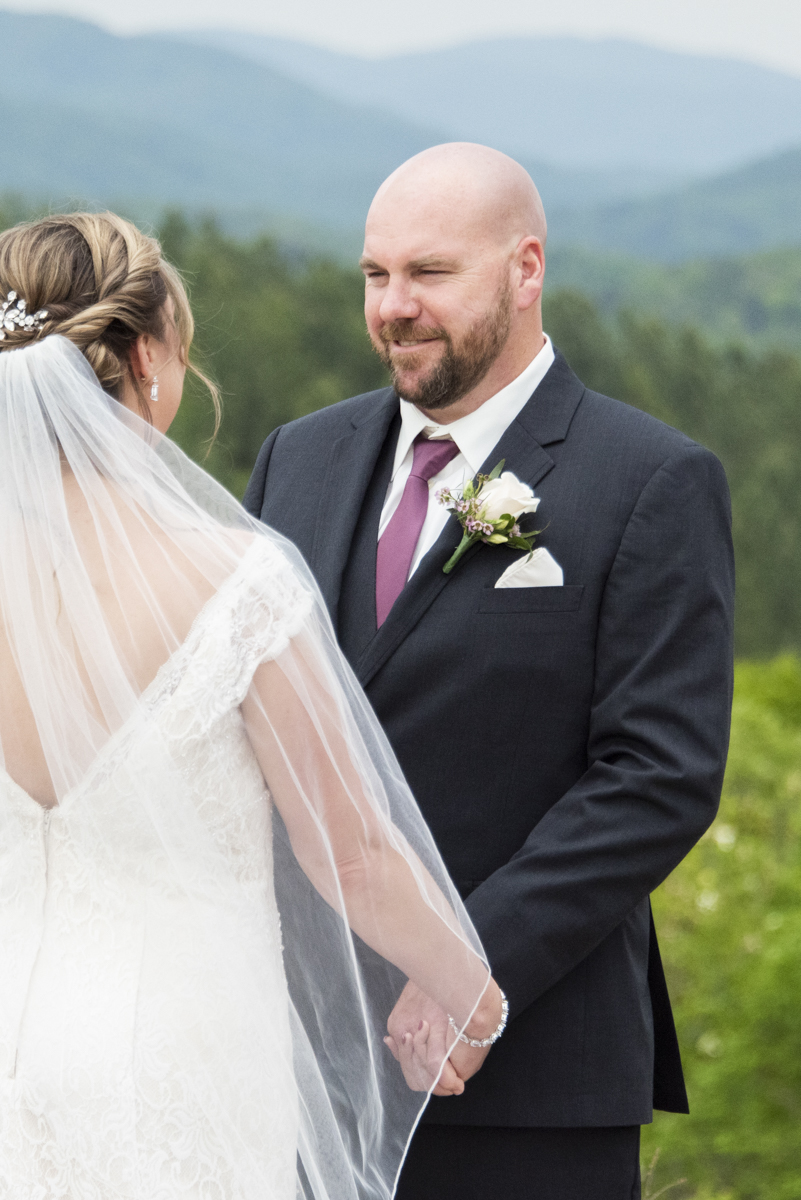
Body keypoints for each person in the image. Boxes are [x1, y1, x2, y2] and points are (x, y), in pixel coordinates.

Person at [244, 143, 735, 1200]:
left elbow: (657, 776)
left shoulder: (649, 480)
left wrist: (468, 966)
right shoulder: (299, 458)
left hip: (529, 1081)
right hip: (301, 1069)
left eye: (430, 274)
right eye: (376, 276)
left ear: (525, 270)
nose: (395, 308)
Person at [0, 211, 505, 1200]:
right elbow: (353, 849)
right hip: (184, 1069)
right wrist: (474, 994)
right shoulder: (232, 582)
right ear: (147, 359)